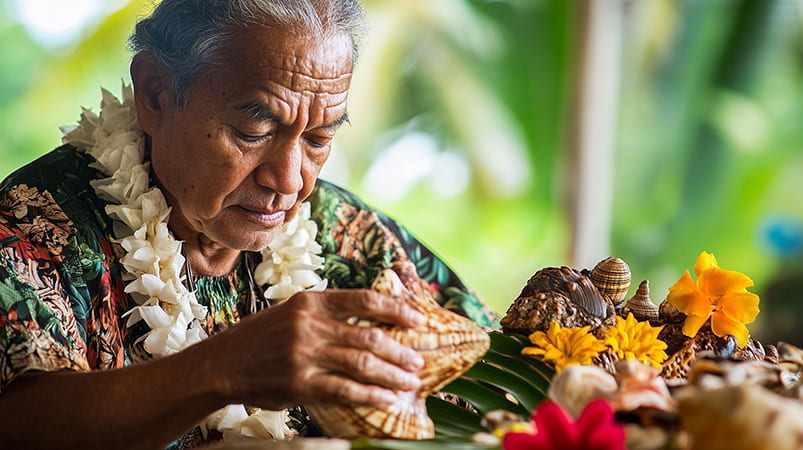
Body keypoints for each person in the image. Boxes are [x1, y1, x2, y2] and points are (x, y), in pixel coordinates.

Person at [0, 0, 496, 448]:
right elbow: (20, 423)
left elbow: (508, 378)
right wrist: (223, 367)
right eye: (254, 130)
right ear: (155, 94)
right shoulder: (34, 225)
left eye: (319, 138)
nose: (289, 180)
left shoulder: (343, 232)